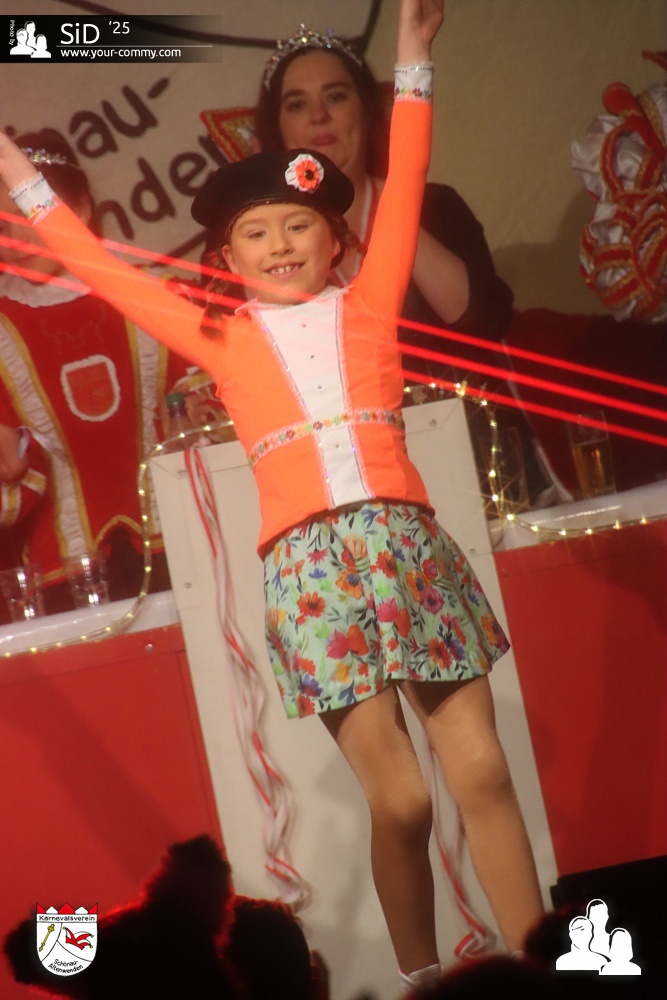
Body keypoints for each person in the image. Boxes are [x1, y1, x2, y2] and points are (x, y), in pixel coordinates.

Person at [0, 0, 543, 987]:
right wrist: (10, 166)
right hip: (311, 570)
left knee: (482, 772)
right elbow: (91, 263)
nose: (283, 242)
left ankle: (536, 968)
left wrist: (411, 57)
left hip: (409, 548)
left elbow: (409, 169)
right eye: (258, 231)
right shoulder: (216, 336)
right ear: (227, 257)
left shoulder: (368, 302)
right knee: (403, 800)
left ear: (338, 240)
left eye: (301, 224)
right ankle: (422, 978)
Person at [252, 22, 556, 507]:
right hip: (343, 490)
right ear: (277, 129)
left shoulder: (435, 207)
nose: (318, 116)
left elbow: (484, 320)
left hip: (476, 464)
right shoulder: (262, 248)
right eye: (296, 104)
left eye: (336, 96)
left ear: (366, 110)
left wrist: (397, 205)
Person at [0, 129, 199, 619]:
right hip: (58, 577)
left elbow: (212, 411)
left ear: (82, 209)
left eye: (26, 213)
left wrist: (199, 413)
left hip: (184, 550)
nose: (15, 239)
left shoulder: (158, 296)